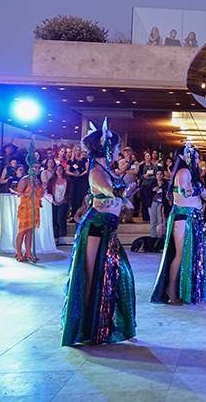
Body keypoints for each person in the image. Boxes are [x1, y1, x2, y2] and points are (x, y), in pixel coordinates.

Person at [61, 120, 137, 346]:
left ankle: (99, 324)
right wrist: (122, 192)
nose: (117, 151)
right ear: (105, 148)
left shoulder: (105, 169)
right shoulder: (96, 171)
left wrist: (124, 193)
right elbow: (106, 189)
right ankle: (85, 328)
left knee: (115, 274)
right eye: (114, 147)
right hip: (95, 227)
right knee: (90, 276)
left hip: (107, 228)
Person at [150, 143, 206, 306]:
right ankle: (171, 289)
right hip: (183, 217)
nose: (198, 159)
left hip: (190, 218)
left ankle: (181, 290)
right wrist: (195, 191)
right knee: (179, 254)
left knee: (186, 254)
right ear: (186, 158)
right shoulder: (184, 172)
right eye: (195, 156)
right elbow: (184, 191)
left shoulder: (190, 173)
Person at [14, 162, 45, 263]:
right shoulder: (25, 180)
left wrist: (43, 190)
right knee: (22, 231)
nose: (37, 169)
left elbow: (39, 194)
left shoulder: (37, 180)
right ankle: (19, 253)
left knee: (30, 231)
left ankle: (28, 252)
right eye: (35, 167)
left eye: (39, 168)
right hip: (25, 208)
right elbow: (19, 194)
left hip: (34, 208)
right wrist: (28, 193)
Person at [46, 164, 72, 244]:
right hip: (53, 202)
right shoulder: (51, 181)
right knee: (54, 219)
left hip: (63, 202)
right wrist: (52, 201)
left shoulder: (68, 180)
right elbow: (48, 192)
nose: (59, 171)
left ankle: (63, 228)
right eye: (57, 169)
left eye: (61, 169)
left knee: (60, 219)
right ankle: (55, 237)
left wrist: (65, 200)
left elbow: (70, 192)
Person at [145, 169, 168, 239]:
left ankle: (160, 237)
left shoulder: (166, 184)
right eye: (158, 174)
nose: (159, 176)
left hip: (161, 204)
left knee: (160, 221)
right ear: (155, 176)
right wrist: (152, 190)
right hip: (153, 203)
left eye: (161, 174)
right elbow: (146, 194)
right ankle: (153, 238)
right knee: (153, 222)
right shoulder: (152, 183)